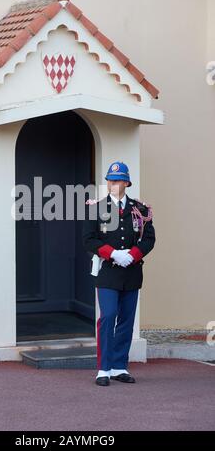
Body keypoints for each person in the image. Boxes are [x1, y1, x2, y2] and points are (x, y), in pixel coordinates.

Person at [82, 161, 155, 386]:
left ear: (126, 182)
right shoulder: (96, 208)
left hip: (131, 272)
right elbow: (89, 239)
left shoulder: (140, 209)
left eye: (117, 180)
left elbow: (149, 239)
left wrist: (131, 255)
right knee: (108, 316)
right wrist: (114, 254)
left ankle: (118, 366)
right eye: (110, 180)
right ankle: (103, 369)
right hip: (108, 272)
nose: (113, 184)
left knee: (126, 320)